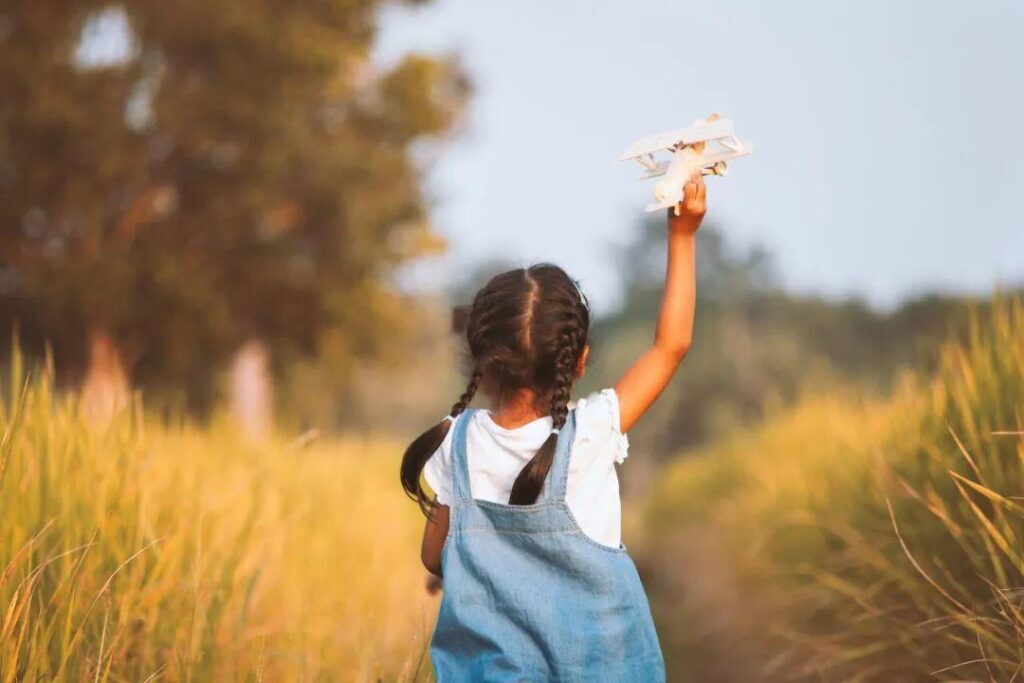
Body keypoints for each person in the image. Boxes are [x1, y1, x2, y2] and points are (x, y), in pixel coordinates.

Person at [400, 168, 707, 682]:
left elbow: (436, 558)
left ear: (482, 359)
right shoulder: (590, 432)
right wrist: (682, 234)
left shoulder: (454, 443)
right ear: (579, 359)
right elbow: (670, 346)